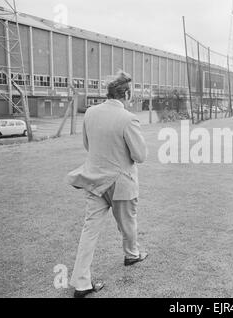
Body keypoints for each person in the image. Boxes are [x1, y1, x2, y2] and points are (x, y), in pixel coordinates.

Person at [66, 71, 148, 298]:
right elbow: (140, 155)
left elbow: (87, 144)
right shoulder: (128, 118)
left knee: (89, 231)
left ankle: (81, 283)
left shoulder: (90, 113)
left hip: (95, 182)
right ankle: (132, 255)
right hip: (122, 184)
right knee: (128, 223)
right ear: (127, 93)